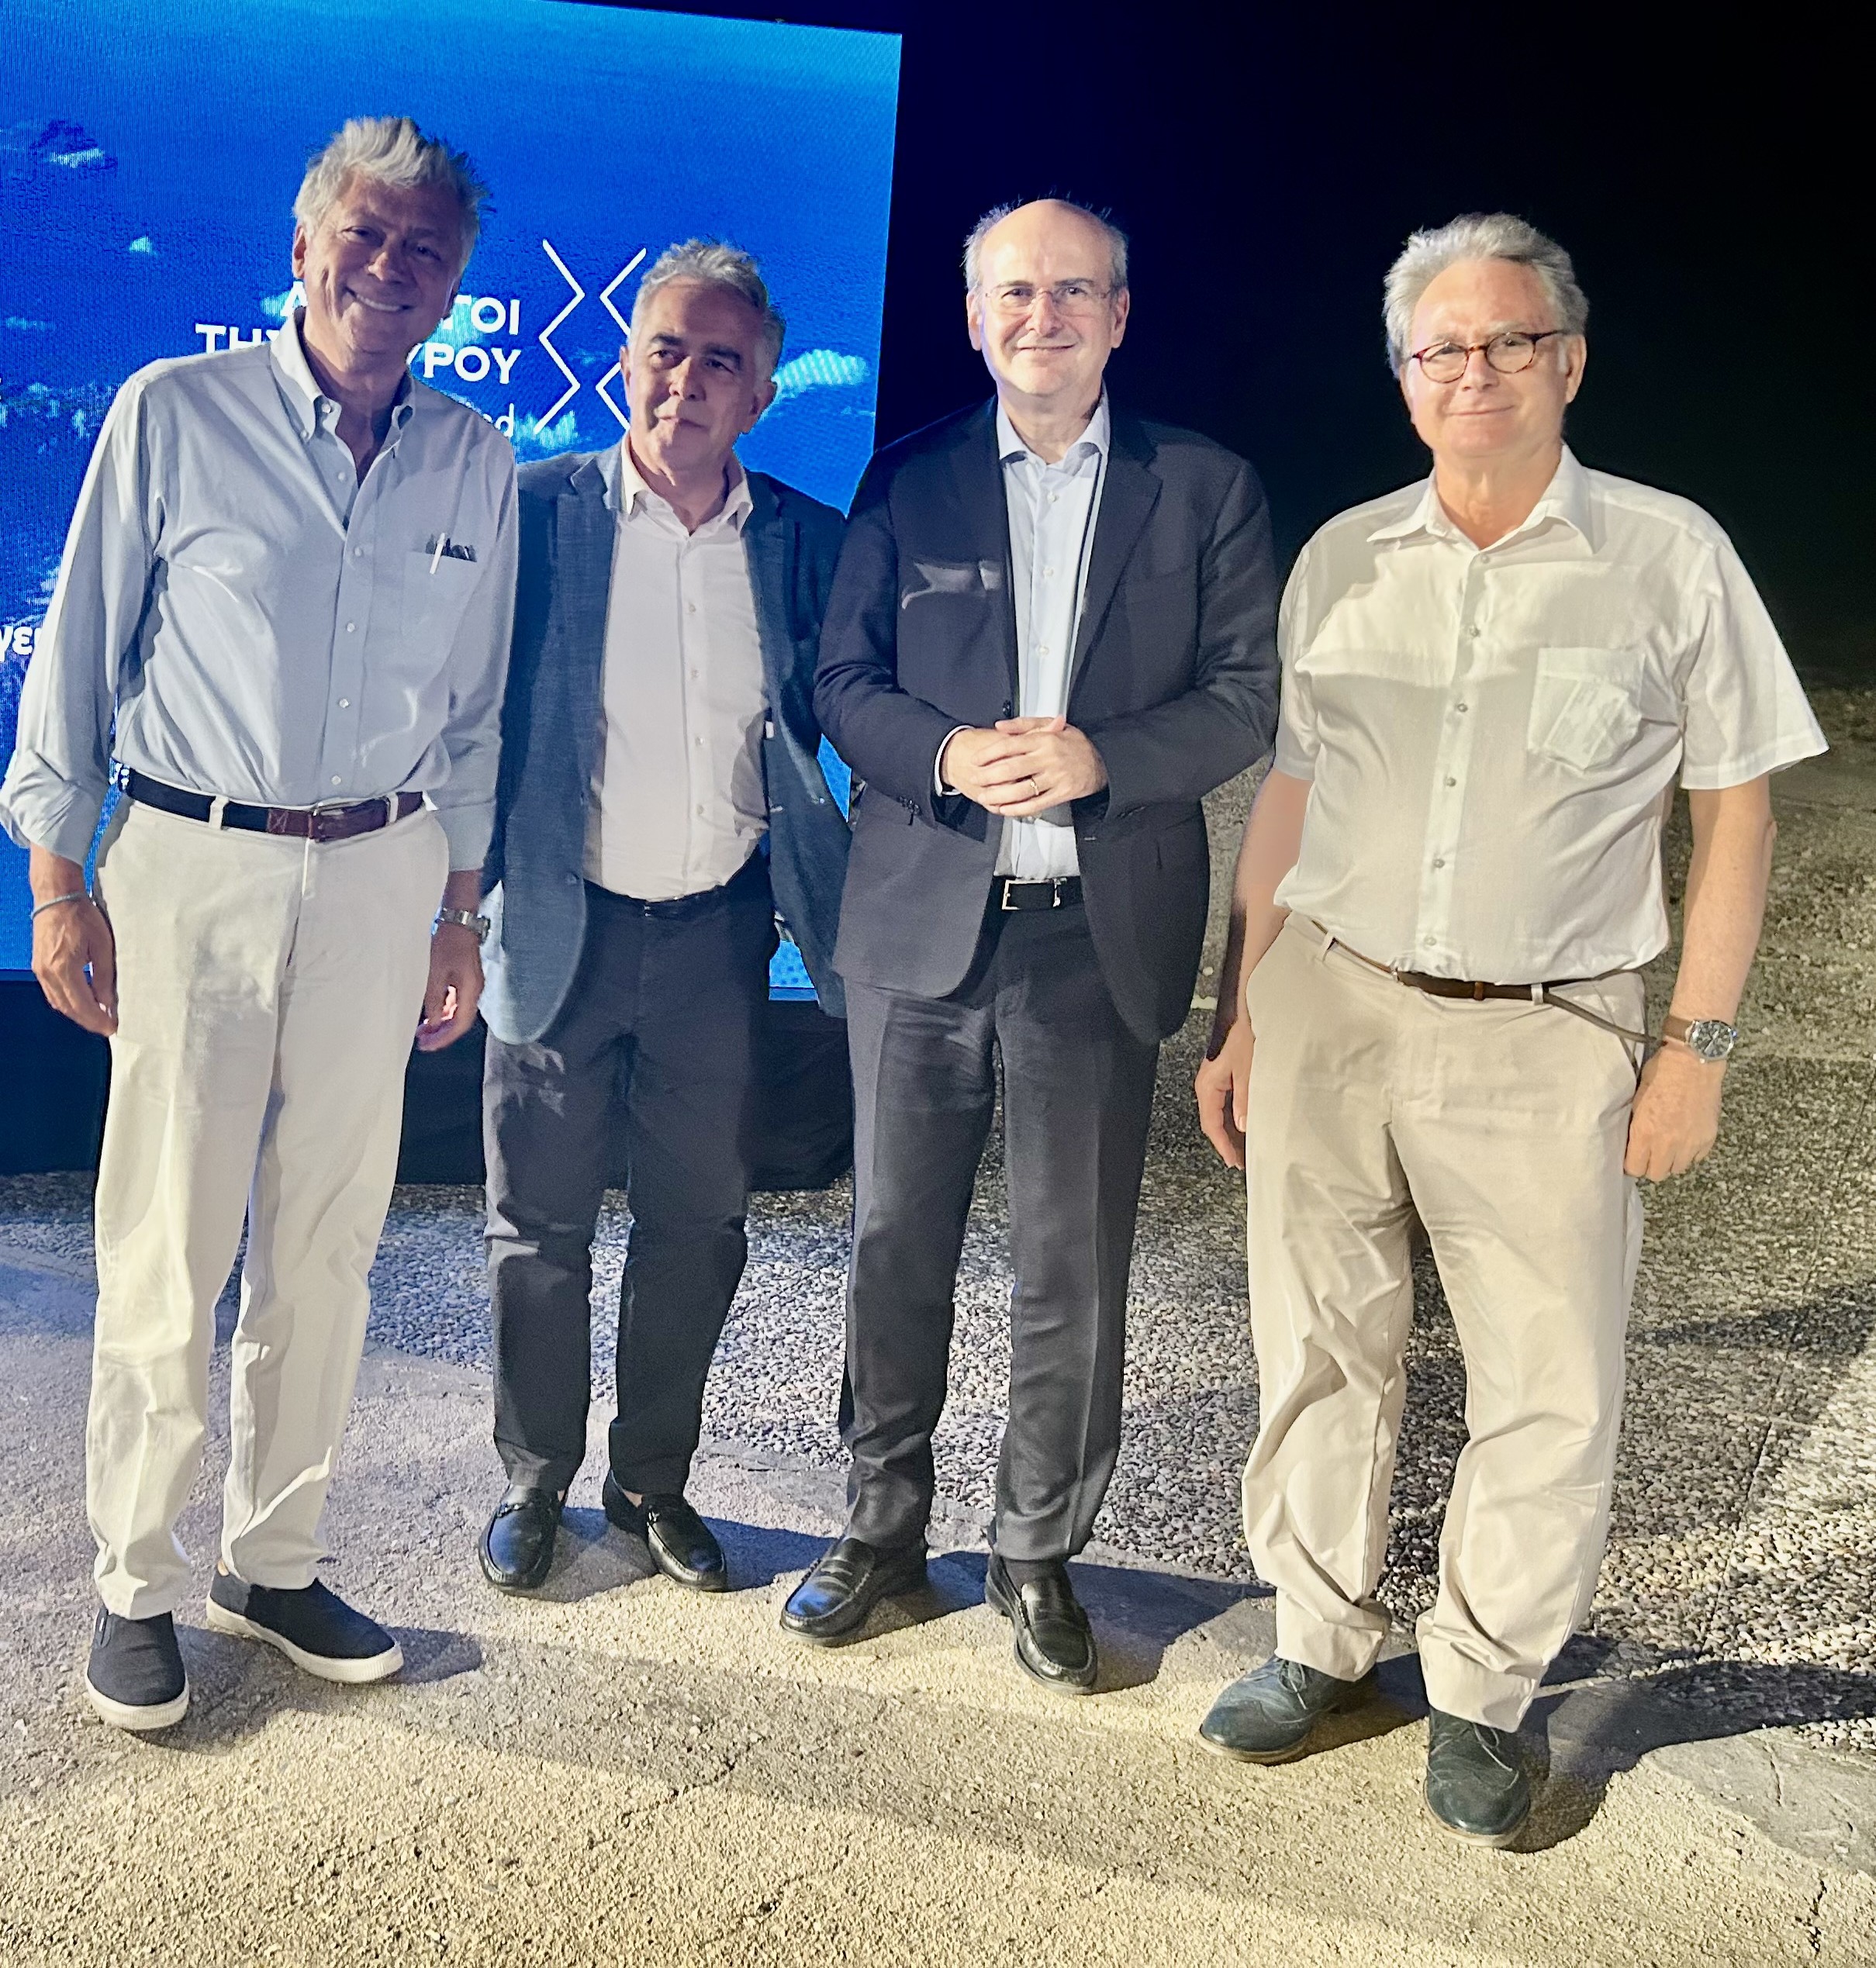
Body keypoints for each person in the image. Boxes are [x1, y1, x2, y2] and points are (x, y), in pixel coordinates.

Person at [1193, 212, 1826, 1842]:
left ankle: (1481, 1690)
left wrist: (1697, 1048)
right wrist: (1242, 1009)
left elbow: (1736, 817)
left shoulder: (1669, 555)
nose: (1474, 370)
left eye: (1508, 340)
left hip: (1549, 1028)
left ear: (1570, 361)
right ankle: (1317, 1640)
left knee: (1548, 1376)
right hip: (1330, 999)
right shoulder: (1344, 557)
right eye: (1441, 347)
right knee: (1317, 1341)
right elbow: (1289, 791)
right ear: (1404, 377)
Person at [0, 117, 516, 1730]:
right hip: (193, 863)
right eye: (364, 234)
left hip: (385, 873)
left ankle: (272, 1560)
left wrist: (457, 911)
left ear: (454, 286)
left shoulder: (475, 458)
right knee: (170, 1233)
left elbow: (476, 714)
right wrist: (57, 882)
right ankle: (133, 1582)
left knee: (329, 1239)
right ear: (302, 248)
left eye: (425, 250)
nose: (390, 267)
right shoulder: (174, 412)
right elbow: (76, 657)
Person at [794, 199, 1279, 1692]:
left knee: (1072, 1264)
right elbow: (842, 679)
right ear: (975, 316)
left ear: (1120, 316)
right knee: (893, 1244)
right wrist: (945, 755)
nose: (1043, 316)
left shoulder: (1205, 487)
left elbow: (1248, 694)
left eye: (1075, 291)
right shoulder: (909, 475)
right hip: (918, 925)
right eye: (1016, 291)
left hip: (1093, 933)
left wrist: (1104, 759)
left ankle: (1033, 1550)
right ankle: (881, 1527)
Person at [475, 241, 849, 1596]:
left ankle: (651, 1481)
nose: (686, 381)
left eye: (720, 362)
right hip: (558, 926)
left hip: (718, 936)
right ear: (625, 362)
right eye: (665, 351)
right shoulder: (534, 513)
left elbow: (846, 718)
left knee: (699, 1224)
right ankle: (533, 1477)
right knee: (538, 1230)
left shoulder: (805, 540)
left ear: (759, 394)